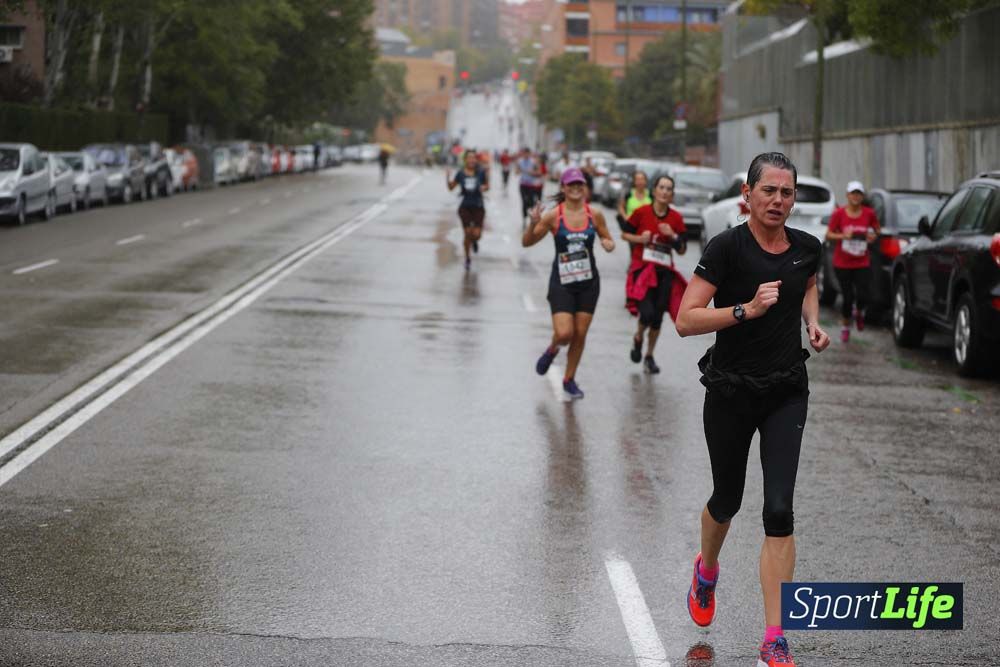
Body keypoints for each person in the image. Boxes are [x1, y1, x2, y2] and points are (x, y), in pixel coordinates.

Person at [675, 152, 831, 667]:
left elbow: (807, 284)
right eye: (769, 191)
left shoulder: (807, 247)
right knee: (727, 499)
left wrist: (812, 322)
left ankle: (774, 637)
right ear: (748, 194)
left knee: (779, 510)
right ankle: (707, 570)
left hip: (785, 390)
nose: (778, 201)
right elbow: (686, 319)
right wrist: (746, 310)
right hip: (731, 390)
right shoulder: (726, 248)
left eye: (787, 193)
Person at [523, 167, 615, 399]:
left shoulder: (595, 214)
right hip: (562, 282)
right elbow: (527, 242)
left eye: (579, 184)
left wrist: (608, 244)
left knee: (580, 333)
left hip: (588, 283)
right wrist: (532, 223)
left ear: (584, 187)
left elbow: (607, 237)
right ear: (563, 188)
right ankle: (553, 348)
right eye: (571, 184)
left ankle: (569, 379)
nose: (575, 188)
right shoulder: (554, 216)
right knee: (565, 333)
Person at [621, 174, 687, 374]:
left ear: (672, 195)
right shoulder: (641, 212)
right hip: (643, 271)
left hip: (664, 273)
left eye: (669, 189)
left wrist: (672, 236)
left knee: (657, 318)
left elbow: (682, 249)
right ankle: (638, 336)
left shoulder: (676, 218)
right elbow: (624, 234)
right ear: (654, 191)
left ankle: (649, 356)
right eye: (662, 187)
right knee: (647, 313)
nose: (665, 192)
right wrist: (639, 239)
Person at [825, 180, 880, 342]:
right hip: (842, 263)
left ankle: (860, 312)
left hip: (862, 262)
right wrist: (843, 236)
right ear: (847, 195)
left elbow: (877, 230)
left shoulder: (869, 213)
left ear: (862, 196)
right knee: (847, 297)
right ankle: (845, 326)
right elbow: (829, 234)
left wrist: (873, 236)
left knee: (863, 295)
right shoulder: (839, 214)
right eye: (853, 193)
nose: (856, 196)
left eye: (859, 193)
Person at [447, 150, 489, 271]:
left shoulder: (481, 172)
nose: (472, 160)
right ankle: (467, 258)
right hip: (465, 206)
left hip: (478, 206)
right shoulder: (460, 173)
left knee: (476, 235)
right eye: (469, 158)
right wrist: (447, 177)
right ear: (465, 160)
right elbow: (451, 188)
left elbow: (487, 186)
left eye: (474, 158)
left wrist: (484, 187)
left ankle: (474, 242)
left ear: (476, 160)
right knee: (467, 233)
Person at [516, 148, 544, 226]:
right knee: (524, 201)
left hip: (531, 185)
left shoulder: (533, 162)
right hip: (523, 185)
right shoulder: (520, 161)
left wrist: (532, 172)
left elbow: (539, 172)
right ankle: (524, 218)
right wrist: (518, 171)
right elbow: (516, 171)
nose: (526, 155)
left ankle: (531, 217)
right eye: (524, 153)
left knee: (531, 202)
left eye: (527, 153)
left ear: (529, 153)